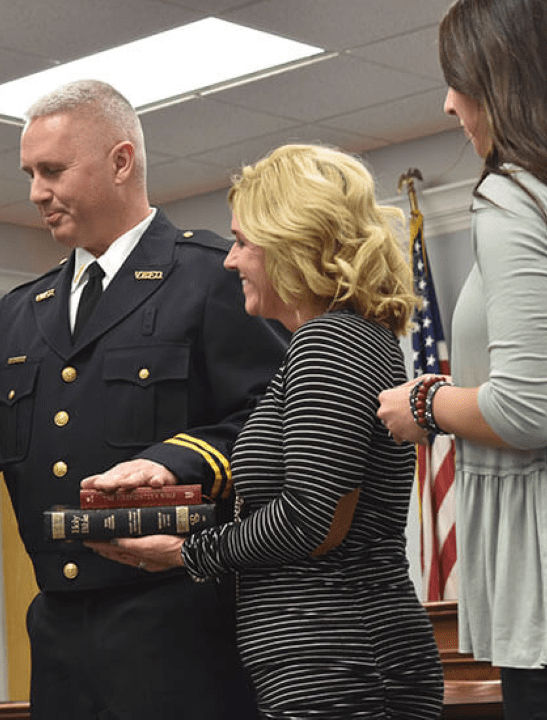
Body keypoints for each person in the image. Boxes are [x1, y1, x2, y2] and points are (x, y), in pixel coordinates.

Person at [0, 79, 286, 719]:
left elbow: (269, 420)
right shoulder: (22, 311)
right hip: (60, 635)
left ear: (121, 162)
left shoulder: (210, 275)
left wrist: (177, 463)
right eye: (30, 174)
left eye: (52, 170)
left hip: (181, 622)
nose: (37, 192)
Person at [90, 144, 445, 718]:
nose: (230, 262)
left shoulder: (328, 343)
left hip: (344, 662)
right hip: (326, 662)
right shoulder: (341, 340)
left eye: (243, 242)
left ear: (294, 243)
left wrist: (187, 553)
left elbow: (311, 519)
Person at [378, 0, 547, 715]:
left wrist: (423, 402)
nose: (449, 103)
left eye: (460, 80)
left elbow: (528, 407)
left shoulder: (514, 196)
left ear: (505, 79)